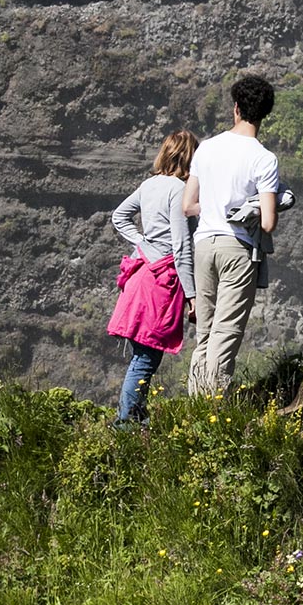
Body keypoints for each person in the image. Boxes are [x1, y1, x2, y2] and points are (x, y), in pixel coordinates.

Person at [183, 74, 281, 396]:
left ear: (236, 108)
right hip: (238, 248)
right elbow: (267, 223)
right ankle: (214, 405)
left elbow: (188, 205)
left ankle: (196, 405)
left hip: (204, 245)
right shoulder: (264, 158)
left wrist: (213, 207)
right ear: (264, 113)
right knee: (226, 334)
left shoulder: (206, 149)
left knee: (205, 334)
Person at [107, 130, 199, 422]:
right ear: (189, 158)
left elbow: (119, 216)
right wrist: (192, 296)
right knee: (145, 359)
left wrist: (142, 242)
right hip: (159, 281)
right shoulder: (178, 190)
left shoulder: (149, 185)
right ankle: (127, 423)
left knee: (142, 355)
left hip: (140, 274)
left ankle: (134, 416)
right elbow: (181, 245)